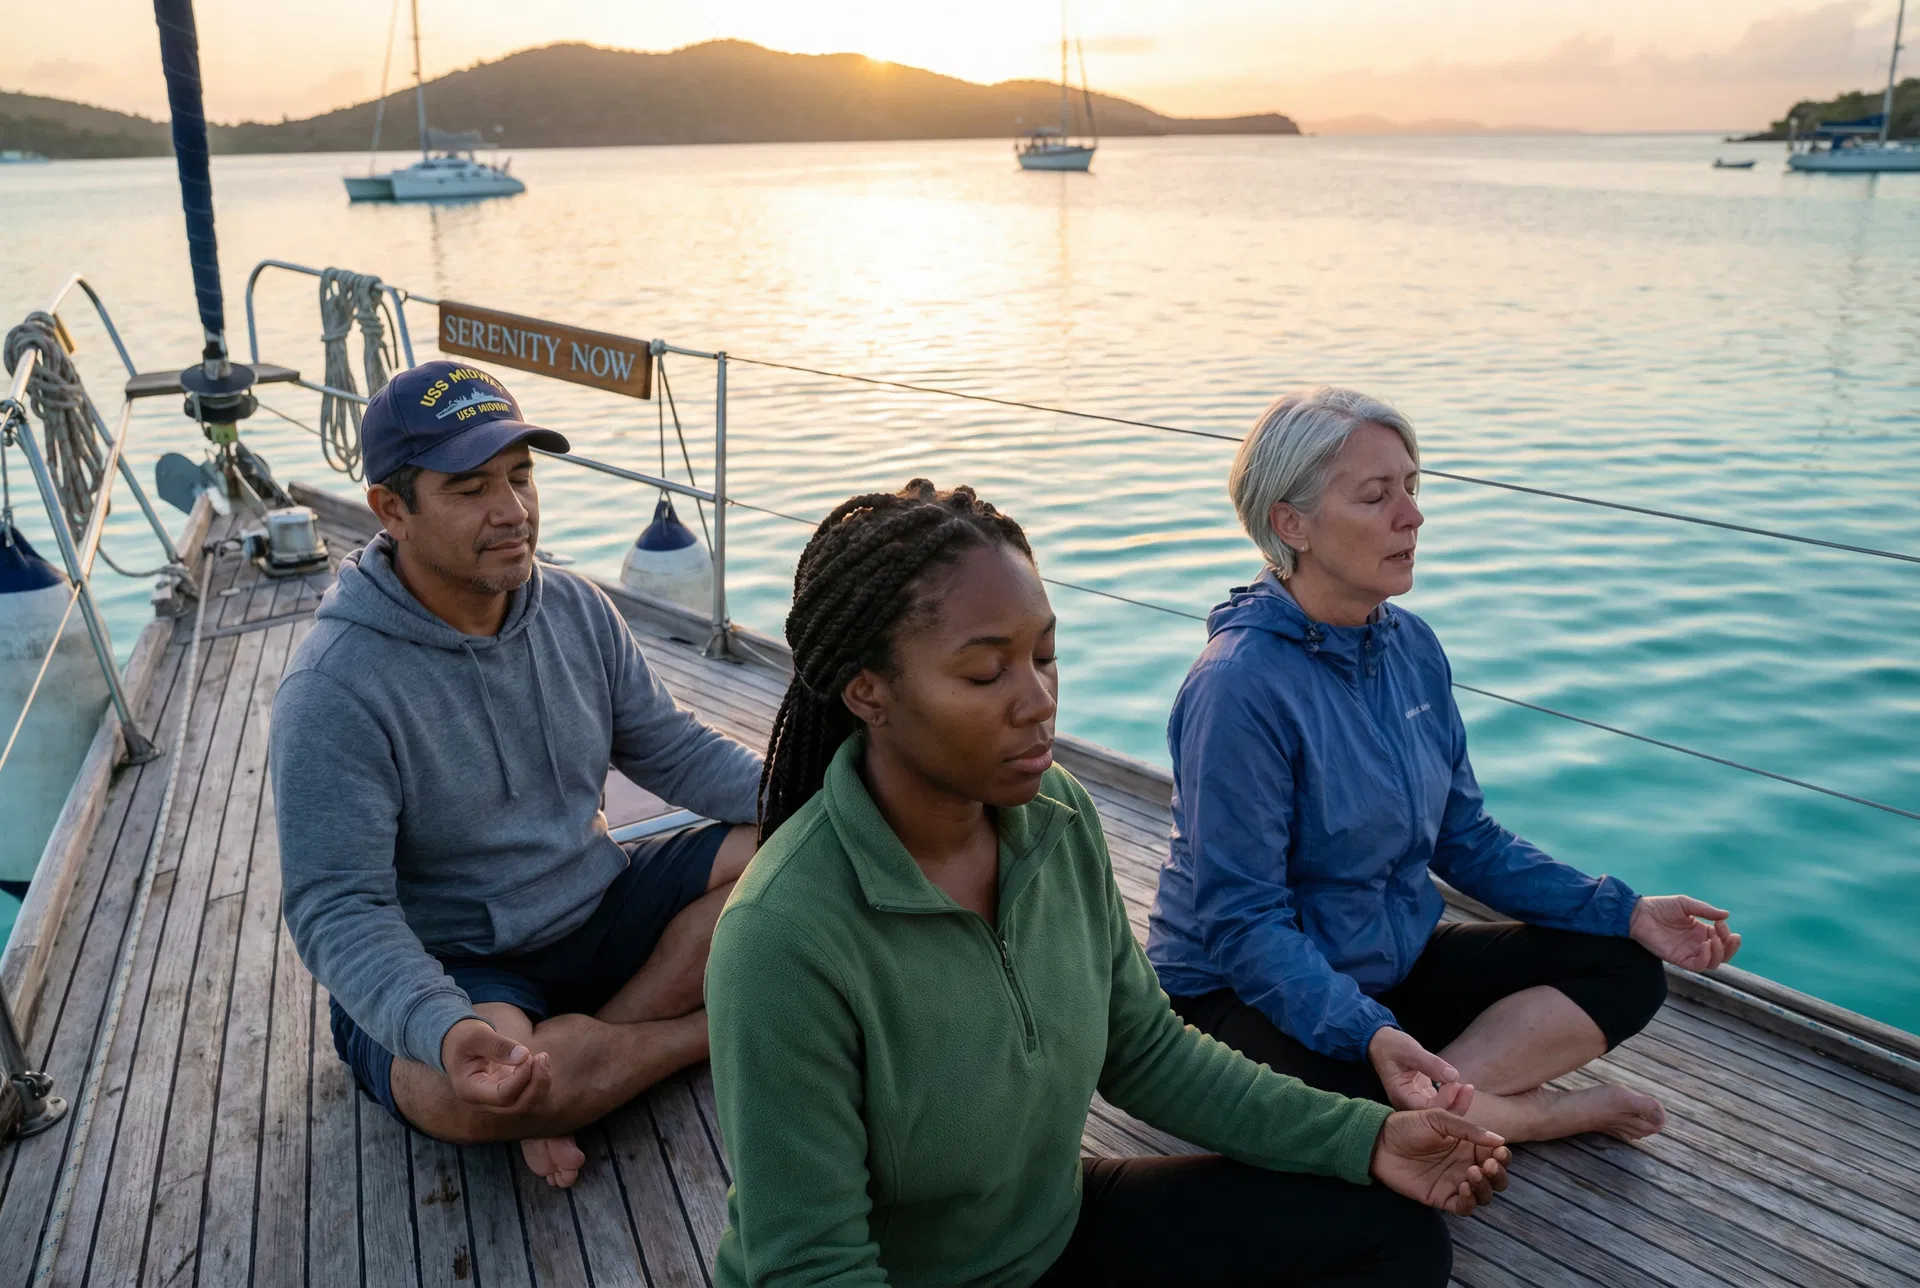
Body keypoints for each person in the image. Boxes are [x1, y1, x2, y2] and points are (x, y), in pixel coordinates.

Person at [705, 479, 1511, 1288]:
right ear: (867, 692)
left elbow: (1147, 1050)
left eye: (1045, 656)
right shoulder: (783, 939)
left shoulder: (1055, 817)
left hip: (1051, 1236)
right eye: (987, 674)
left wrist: (1365, 1138)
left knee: (1390, 1228)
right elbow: (811, 1267)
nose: (1039, 700)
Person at [1146, 387, 1742, 1144]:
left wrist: (1623, 909)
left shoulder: (1411, 647)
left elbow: (1468, 840)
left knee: (1625, 963)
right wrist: (1366, 1033)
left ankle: (1436, 1108)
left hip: (1391, 965)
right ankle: (1521, 1114)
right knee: (1343, 1131)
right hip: (1240, 995)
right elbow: (1243, 923)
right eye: (1375, 496)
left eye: (1411, 488)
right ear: (1290, 523)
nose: (1413, 515)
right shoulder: (1238, 687)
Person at [272, 360, 761, 1188]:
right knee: (466, 1091)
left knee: (787, 847)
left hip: (598, 906)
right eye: (470, 489)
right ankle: (692, 1036)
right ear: (391, 510)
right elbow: (337, 907)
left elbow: (671, 750)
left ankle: (583, 1065)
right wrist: (443, 1027)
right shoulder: (333, 689)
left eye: (522, 476)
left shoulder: (575, 609)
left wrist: (809, 794)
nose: (513, 511)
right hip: (460, 963)